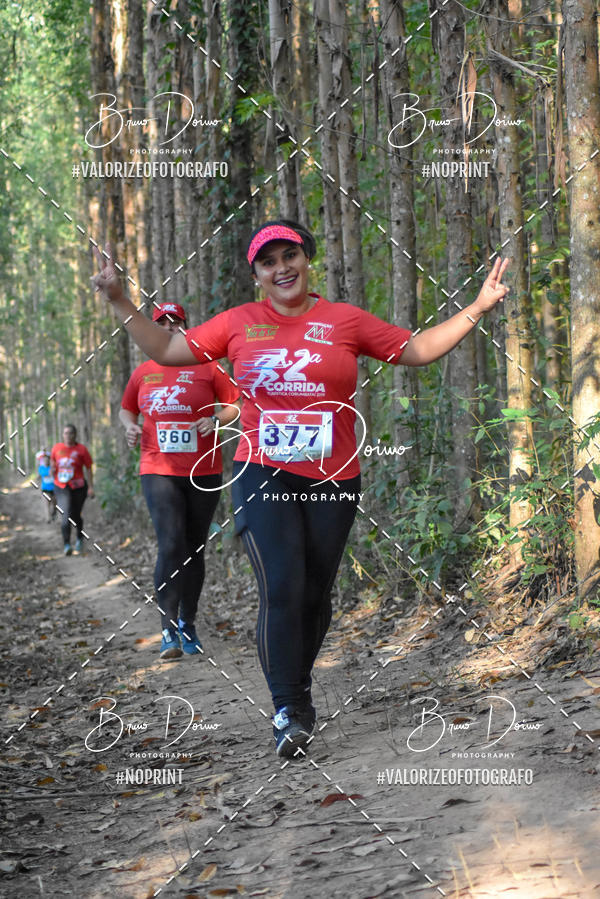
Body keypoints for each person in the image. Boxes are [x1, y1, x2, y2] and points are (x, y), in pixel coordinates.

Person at [92, 221, 509, 758]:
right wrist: (119, 300)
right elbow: (169, 351)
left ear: (307, 260)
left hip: (334, 476)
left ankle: (297, 684)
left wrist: (477, 307)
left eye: (290, 256)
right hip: (262, 469)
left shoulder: (344, 320)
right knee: (283, 587)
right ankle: (289, 706)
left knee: (315, 594)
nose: (281, 268)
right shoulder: (239, 324)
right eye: (269, 262)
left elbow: (417, 349)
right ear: (257, 275)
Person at [119, 301, 241, 661]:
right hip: (157, 468)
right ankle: (168, 629)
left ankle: (188, 622)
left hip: (204, 468)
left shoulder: (207, 366)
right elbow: (127, 408)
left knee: (194, 547)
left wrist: (217, 419)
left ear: (187, 328)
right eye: (163, 323)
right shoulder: (144, 372)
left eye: (177, 323)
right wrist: (129, 427)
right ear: (155, 329)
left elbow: (235, 402)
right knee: (170, 542)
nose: (170, 328)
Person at [51, 424, 94, 555]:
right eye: (65, 433)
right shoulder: (57, 448)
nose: (68, 436)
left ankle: (80, 539)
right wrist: (53, 472)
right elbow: (53, 464)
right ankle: (67, 544)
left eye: (70, 433)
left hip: (79, 487)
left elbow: (89, 468)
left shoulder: (81, 449)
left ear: (75, 435)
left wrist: (91, 487)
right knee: (65, 516)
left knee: (75, 515)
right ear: (62, 435)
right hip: (61, 487)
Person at [36, 448, 57, 522]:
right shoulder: (41, 468)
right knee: (46, 503)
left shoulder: (53, 467)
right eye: (44, 460)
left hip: (54, 489)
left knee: (54, 504)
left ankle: (54, 513)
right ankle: (48, 518)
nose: (45, 461)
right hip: (45, 489)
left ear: (49, 460)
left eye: (47, 459)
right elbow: (41, 475)